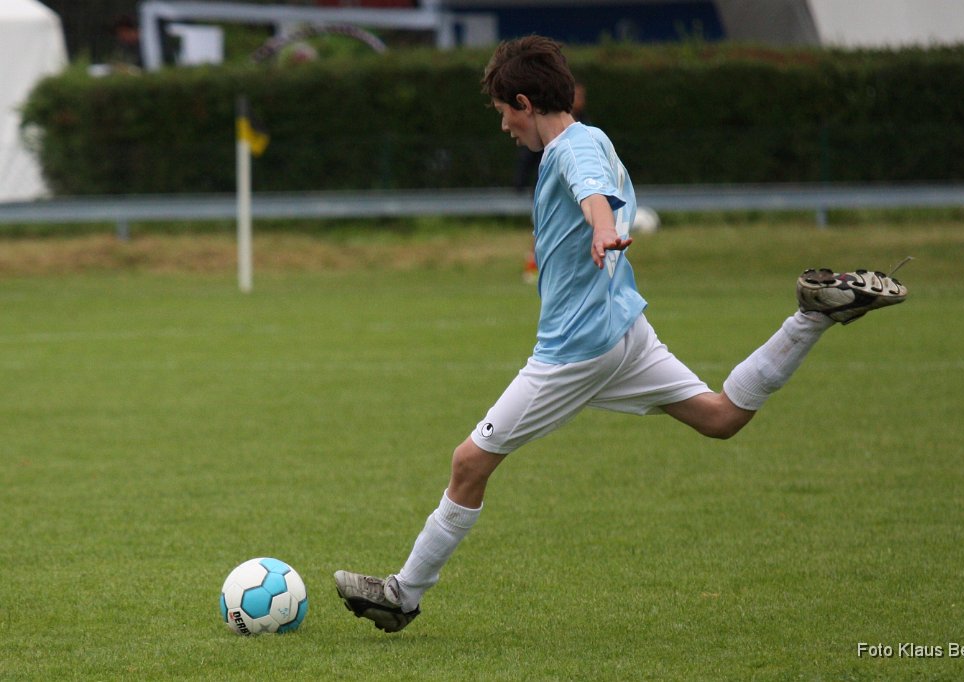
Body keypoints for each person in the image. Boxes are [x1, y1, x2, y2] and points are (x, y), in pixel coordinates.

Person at [333, 35, 908, 633]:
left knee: (468, 463)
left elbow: (591, 195)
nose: (504, 125)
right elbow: (597, 188)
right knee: (721, 416)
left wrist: (603, 229)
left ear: (524, 102)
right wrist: (603, 228)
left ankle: (404, 594)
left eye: (504, 112)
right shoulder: (594, 136)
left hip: (575, 351)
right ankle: (811, 315)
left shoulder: (564, 151)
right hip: (625, 331)